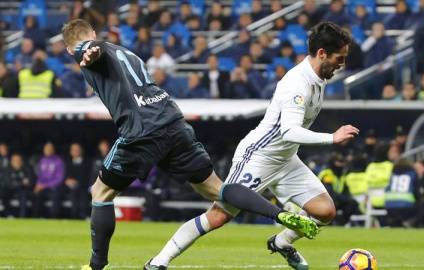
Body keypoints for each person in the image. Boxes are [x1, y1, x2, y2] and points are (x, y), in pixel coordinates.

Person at [62, 19, 318, 270]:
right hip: (174, 123)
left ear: (68, 49)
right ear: (94, 31)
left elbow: (94, 50)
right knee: (217, 189)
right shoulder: (125, 51)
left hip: (141, 131)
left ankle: (97, 266)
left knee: (101, 193)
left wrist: (88, 51)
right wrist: (95, 47)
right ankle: (280, 214)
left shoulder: (90, 51)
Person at [148, 22, 358, 270]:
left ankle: (281, 242)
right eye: (339, 58)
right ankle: (158, 262)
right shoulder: (297, 85)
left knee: (325, 211)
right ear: (322, 53)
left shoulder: (319, 76)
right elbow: (288, 131)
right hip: (258, 157)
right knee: (217, 216)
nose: (342, 64)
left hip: (286, 160)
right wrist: (331, 138)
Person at [384, 158, 421, 227]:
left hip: (390, 207)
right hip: (407, 207)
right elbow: (417, 193)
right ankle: (410, 222)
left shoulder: (392, 174)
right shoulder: (412, 173)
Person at [32, 142, 65, 218]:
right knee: (35, 195)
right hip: (43, 188)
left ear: (53, 150)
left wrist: (44, 185)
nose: (48, 151)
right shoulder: (42, 161)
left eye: (50, 149)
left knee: (55, 196)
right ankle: (36, 217)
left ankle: (53, 217)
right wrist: (38, 185)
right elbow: (39, 176)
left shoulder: (59, 162)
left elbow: (59, 179)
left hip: (54, 188)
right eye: (46, 149)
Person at [64, 142, 90, 219]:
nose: (75, 151)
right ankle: (73, 216)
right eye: (73, 149)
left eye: (77, 149)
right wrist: (67, 181)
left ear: (81, 151)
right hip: (68, 188)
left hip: (83, 186)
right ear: (70, 151)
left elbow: (88, 177)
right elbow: (64, 176)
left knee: (82, 194)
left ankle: (84, 216)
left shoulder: (87, 163)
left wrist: (77, 182)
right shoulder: (67, 162)